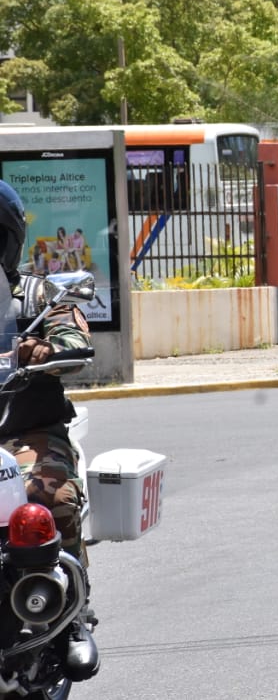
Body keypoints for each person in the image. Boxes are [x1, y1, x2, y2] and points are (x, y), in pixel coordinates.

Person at [0, 180, 98, 682]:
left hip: (25, 432)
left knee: (50, 497)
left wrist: (48, 350)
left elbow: (71, 332)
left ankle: (73, 617)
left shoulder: (39, 292)